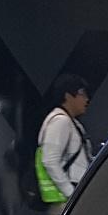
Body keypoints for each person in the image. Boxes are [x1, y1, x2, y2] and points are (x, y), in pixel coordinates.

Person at [34, 73, 93, 206]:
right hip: (65, 203)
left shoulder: (72, 123)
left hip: (73, 198)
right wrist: (72, 194)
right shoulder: (60, 121)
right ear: (68, 96)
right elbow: (49, 160)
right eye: (82, 94)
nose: (86, 99)